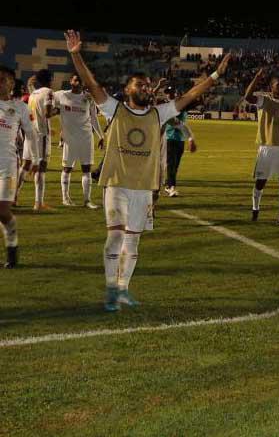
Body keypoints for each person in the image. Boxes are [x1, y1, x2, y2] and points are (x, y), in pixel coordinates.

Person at [64, 29, 231, 312]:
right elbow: (92, 85)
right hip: (117, 183)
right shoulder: (115, 109)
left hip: (144, 188)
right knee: (115, 236)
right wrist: (75, 54)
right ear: (128, 89)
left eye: (147, 85)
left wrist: (215, 75)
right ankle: (110, 290)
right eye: (139, 85)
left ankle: (124, 289)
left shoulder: (158, 113)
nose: (146, 88)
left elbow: (190, 95)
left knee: (133, 242)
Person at [242, 70, 279, 226]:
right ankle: (255, 208)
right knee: (260, 182)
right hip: (267, 148)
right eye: (278, 85)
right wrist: (257, 78)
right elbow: (247, 96)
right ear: (271, 87)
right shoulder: (263, 101)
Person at [0, 66, 39, 268]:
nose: (0, 83)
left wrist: (35, 159)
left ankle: (12, 245)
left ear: (11, 83)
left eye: (3, 79)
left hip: (6, 165)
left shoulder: (20, 107)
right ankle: (10, 255)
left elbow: (31, 134)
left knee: (3, 212)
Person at [53, 73, 104, 208]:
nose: (78, 82)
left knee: (86, 169)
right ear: (70, 81)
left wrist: (101, 136)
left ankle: (87, 200)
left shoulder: (88, 98)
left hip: (86, 137)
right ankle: (65, 197)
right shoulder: (62, 95)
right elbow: (47, 96)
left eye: (80, 81)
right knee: (67, 168)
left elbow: (94, 118)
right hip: (70, 138)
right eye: (76, 80)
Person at [16, 69, 54, 210]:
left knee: (25, 165)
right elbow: (48, 113)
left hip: (30, 134)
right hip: (41, 135)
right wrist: (58, 110)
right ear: (50, 78)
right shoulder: (48, 92)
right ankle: (38, 203)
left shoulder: (32, 94)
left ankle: (14, 197)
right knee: (42, 167)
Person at [162, 87, 196, 197]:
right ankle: (171, 187)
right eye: (167, 93)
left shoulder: (179, 106)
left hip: (180, 139)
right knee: (171, 164)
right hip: (170, 138)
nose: (169, 95)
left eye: (171, 93)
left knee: (175, 165)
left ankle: (168, 185)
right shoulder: (171, 106)